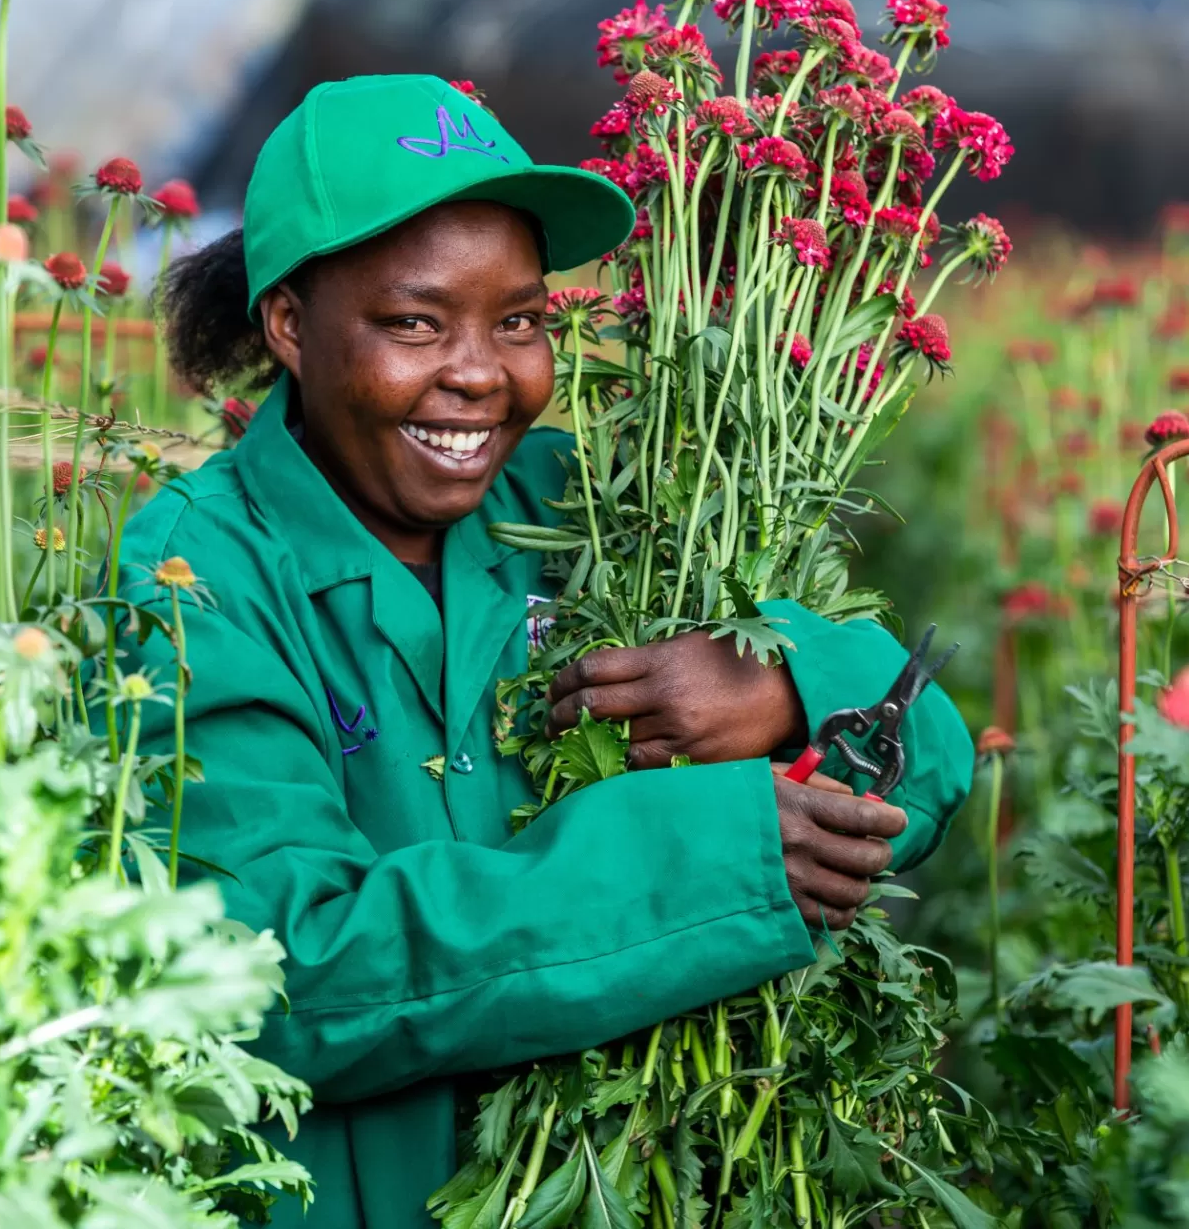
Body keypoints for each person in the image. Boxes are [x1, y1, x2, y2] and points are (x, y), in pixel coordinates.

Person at [113, 74, 972, 1228]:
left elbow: (921, 755)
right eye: (415, 322)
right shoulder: (201, 568)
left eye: (518, 319)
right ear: (289, 324)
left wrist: (777, 681)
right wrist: (707, 857)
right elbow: (272, 967)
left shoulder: (583, 505)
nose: (482, 373)